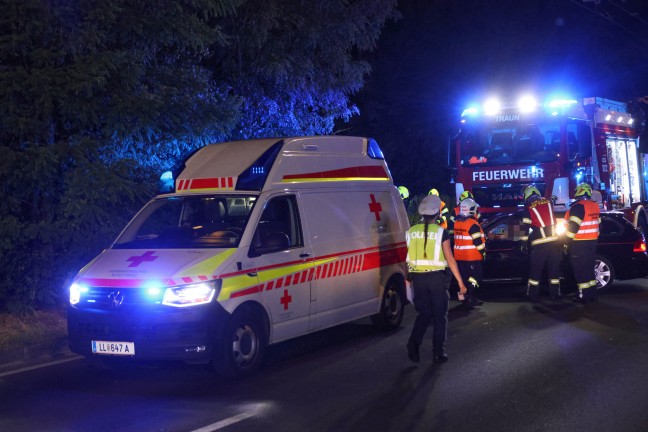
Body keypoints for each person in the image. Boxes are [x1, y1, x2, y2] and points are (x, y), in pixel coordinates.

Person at [406, 194, 467, 364]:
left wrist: (408, 279)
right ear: (437, 212)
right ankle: (438, 352)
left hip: (418, 279)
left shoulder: (411, 231)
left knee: (424, 313)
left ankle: (413, 343)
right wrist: (461, 284)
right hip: (436, 279)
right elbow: (450, 260)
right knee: (440, 316)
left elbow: (408, 256)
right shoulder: (441, 232)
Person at [520, 185, 561, 301]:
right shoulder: (548, 202)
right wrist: (553, 197)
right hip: (555, 243)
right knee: (554, 271)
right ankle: (555, 294)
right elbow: (553, 199)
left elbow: (525, 228)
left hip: (539, 244)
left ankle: (532, 296)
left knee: (535, 272)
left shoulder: (528, 208)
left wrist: (523, 244)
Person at [564, 183, 600, 304]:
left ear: (578, 192)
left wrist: (565, 243)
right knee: (589, 270)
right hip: (592, 243)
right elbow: (599, 225)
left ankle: (583, 296)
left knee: (580, 271)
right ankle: (592, 295)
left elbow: (573, 228)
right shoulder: (594, 206)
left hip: (579, 243)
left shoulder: (578, 207)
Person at [453, 198, 486, 308]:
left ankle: (464, 298)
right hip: (472, 256)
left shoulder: (457, 222)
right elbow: (478, 242)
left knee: (464, 278)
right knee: (476, 277)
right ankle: (470, 297)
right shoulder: (472, 224)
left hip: (459, 257)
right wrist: (483, 252)